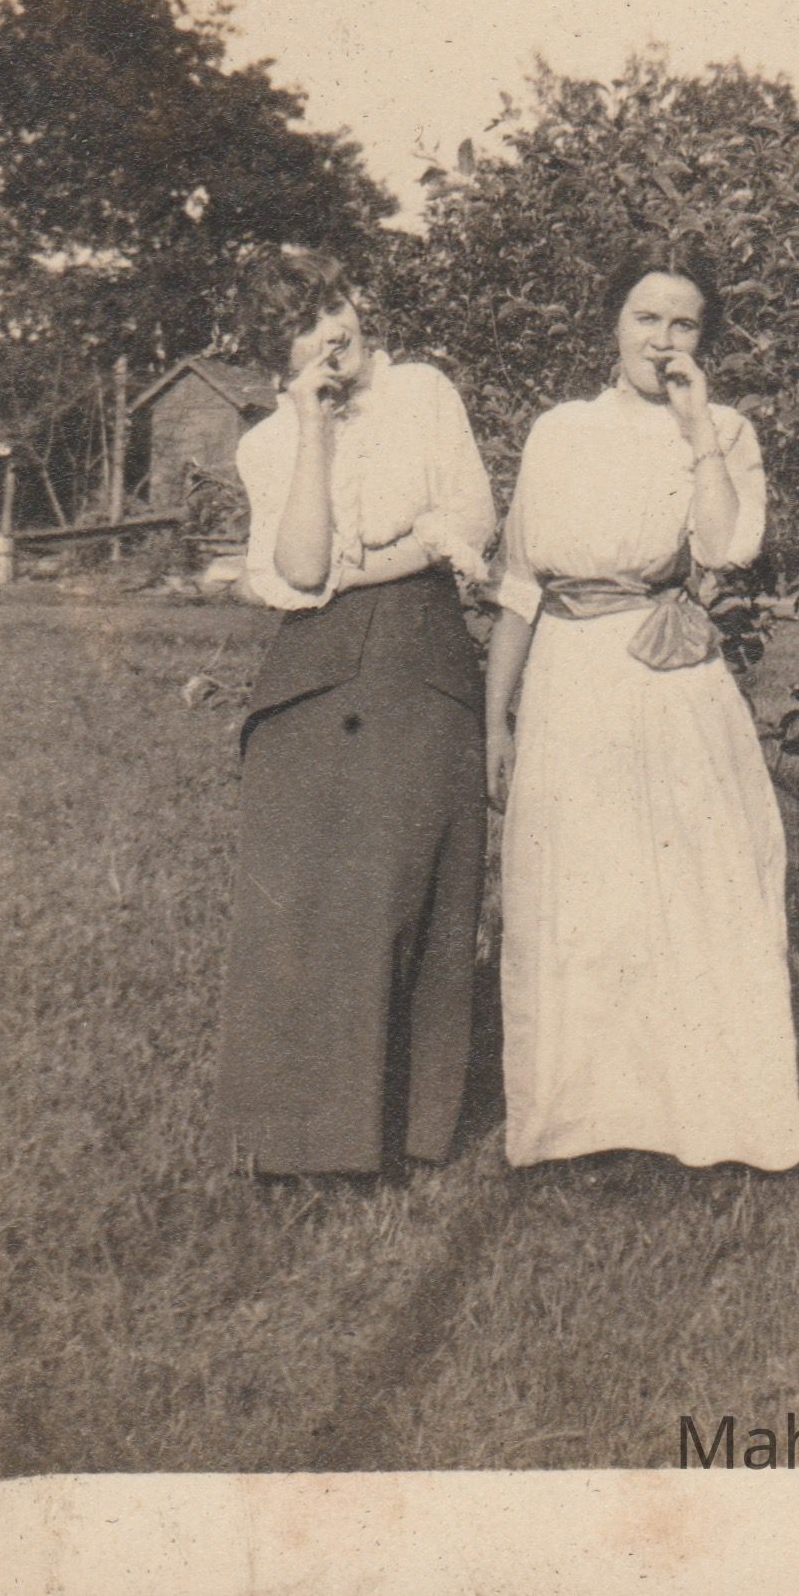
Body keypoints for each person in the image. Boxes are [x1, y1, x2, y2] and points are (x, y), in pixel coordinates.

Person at [485, 242, 799, 1173]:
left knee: (686, 885)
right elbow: (519, 586)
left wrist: (698, 426)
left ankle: (706, 1120)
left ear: (704, 342)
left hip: (664, 677)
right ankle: (582, 1122)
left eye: (684, 324)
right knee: (580, 891)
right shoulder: (558, 431)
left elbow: (726, 546)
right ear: (612, 324)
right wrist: (494, 720)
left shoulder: (724, 431)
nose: (663, 340)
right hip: (567, 679)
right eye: (646, 318)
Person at [212, 248, 495, 1180]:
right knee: (300, 907)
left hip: (418, 657)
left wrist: (354, 566)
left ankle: (401, 1135)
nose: (333, 329)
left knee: (407, 894)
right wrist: (313, 431)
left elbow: (469, 522)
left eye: (335, 303)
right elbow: (299, 571)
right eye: (305, 324)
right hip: (309, 680)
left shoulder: (424, 391)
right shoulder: (267, 444)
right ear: (278, 358)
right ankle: (295, 1144)